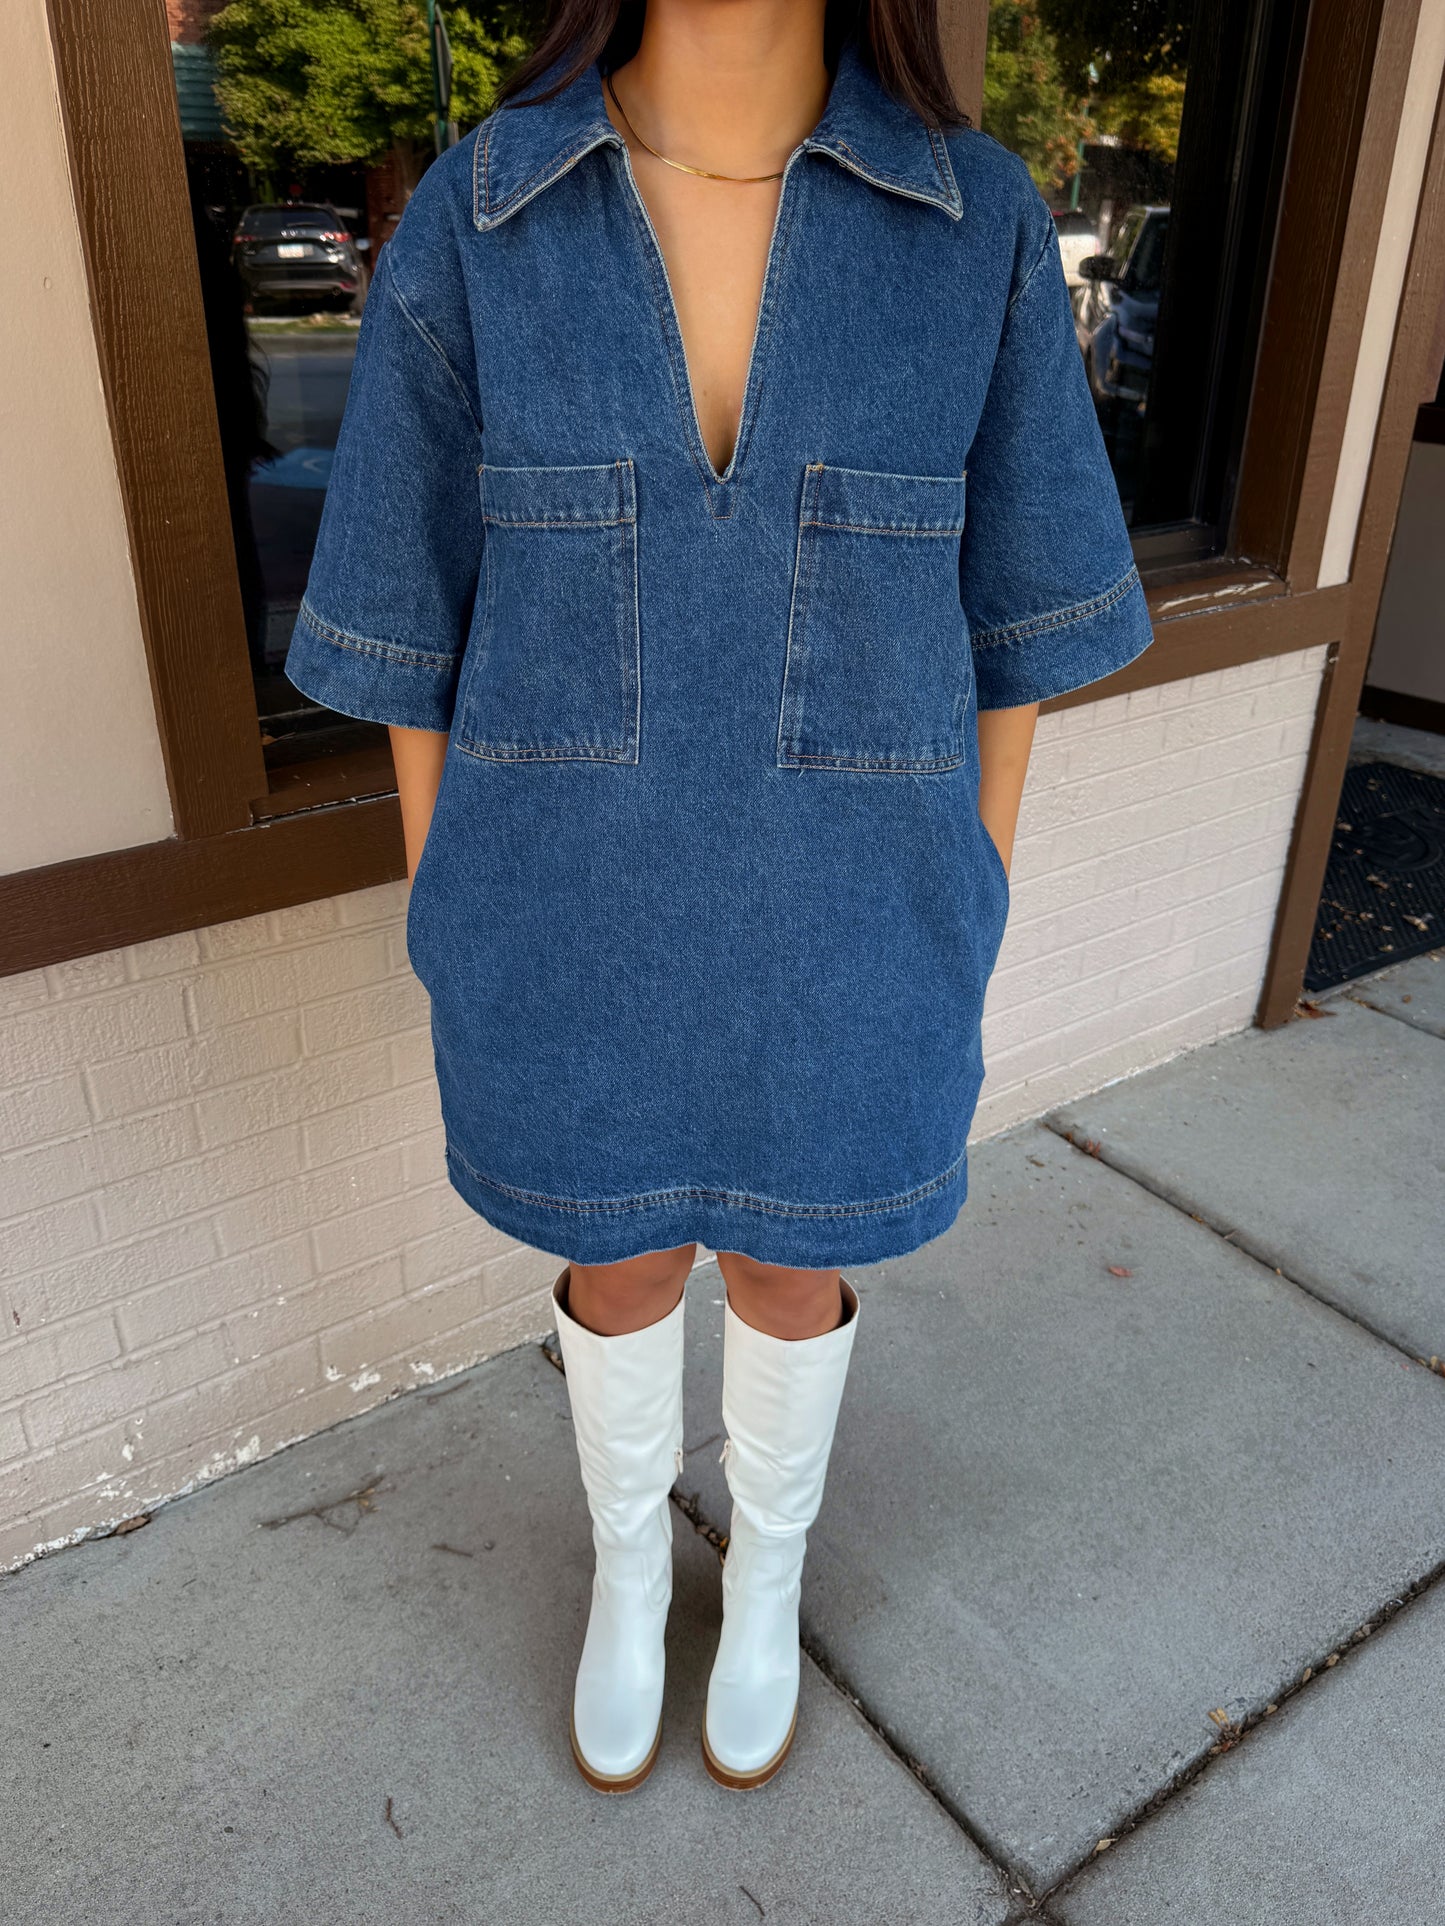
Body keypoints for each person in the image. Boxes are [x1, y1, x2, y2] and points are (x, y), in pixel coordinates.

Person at [283, 0, 1153, 1795]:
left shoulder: (971, 221)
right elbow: (403, 615)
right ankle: (624, 1571)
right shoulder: (482, 214)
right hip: (559, 891)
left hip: (861, 895)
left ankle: (763, 1577)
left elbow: (1019, 619)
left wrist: (972, 874)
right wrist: (442, 889)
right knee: (614, 1253)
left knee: (788, 1250)